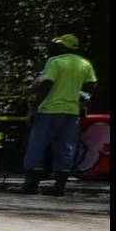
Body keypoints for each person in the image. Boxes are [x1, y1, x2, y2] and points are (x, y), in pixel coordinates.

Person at [22, 34, 95, 194]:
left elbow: (47, 83)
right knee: (65, 147)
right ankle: (59, 186)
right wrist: (80, 98)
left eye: (58, 45)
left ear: (64, 47)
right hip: (71, 111)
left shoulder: (55, 62)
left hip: (50, 109)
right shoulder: (85, 63)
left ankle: (31, 185)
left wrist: (34, 107)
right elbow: (91, 86)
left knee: (38, 146)